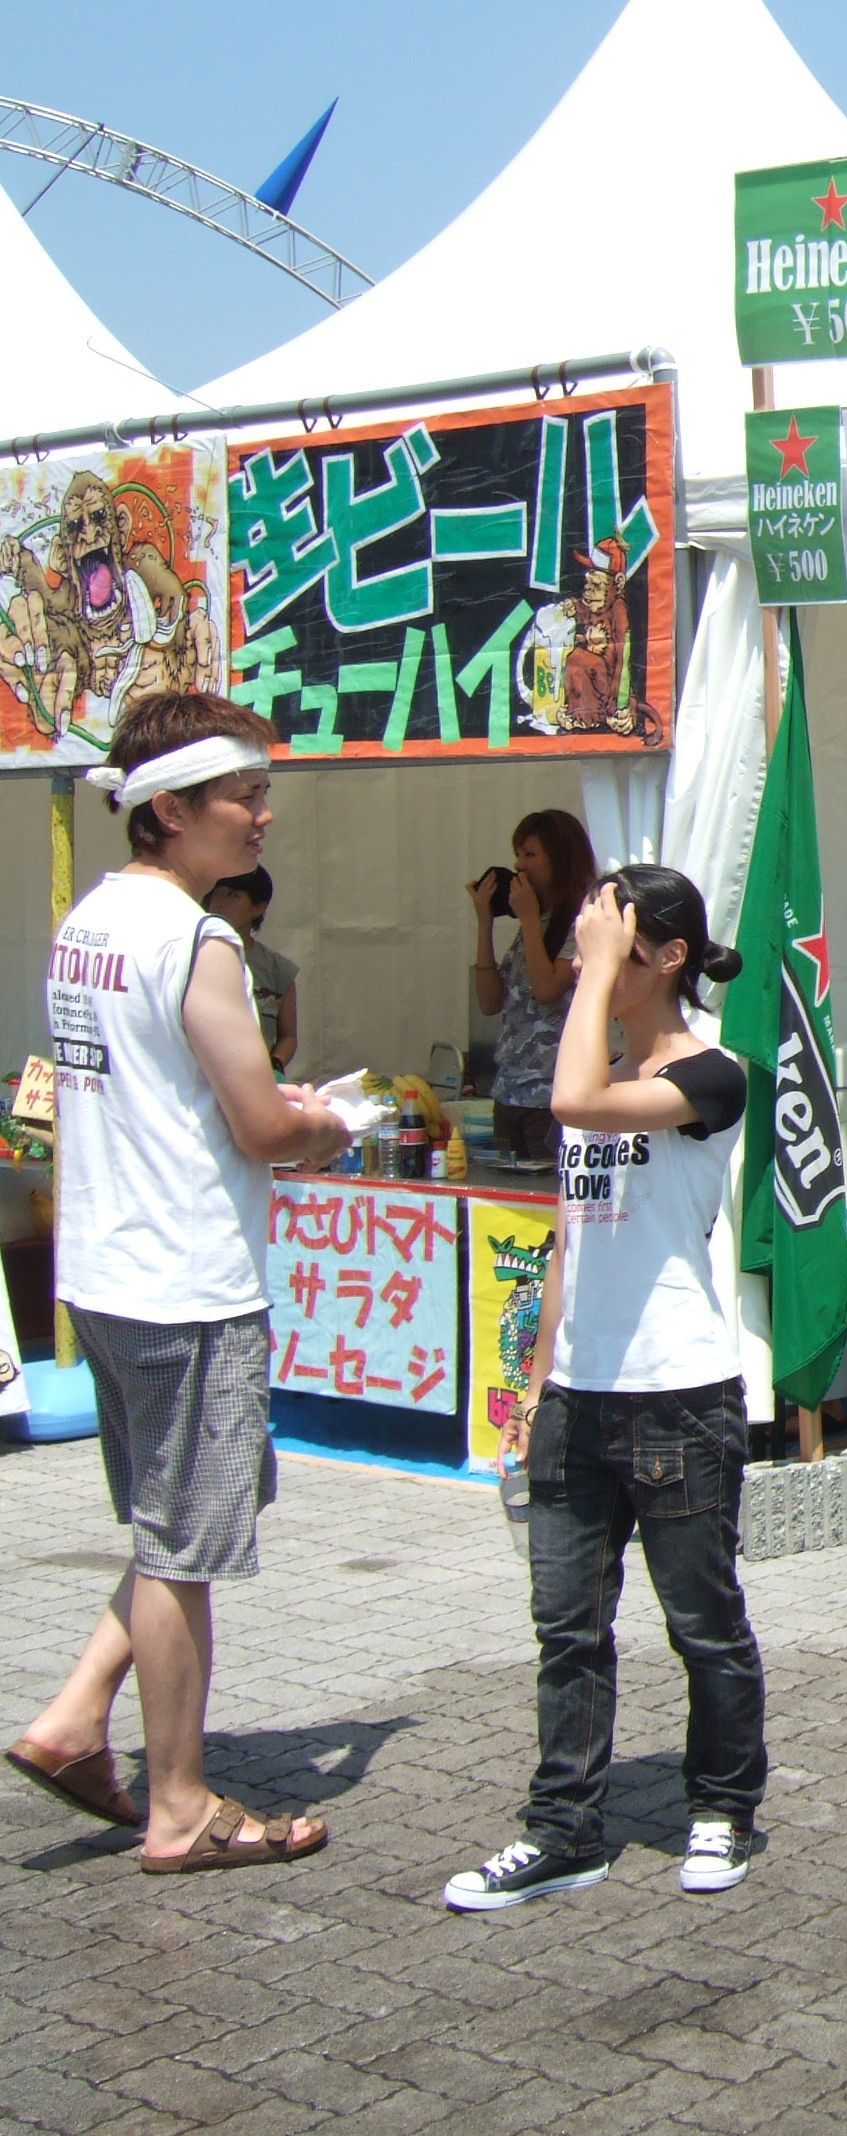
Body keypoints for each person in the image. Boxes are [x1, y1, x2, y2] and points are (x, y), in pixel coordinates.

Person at [8, 692, 349, 1872]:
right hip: (186, 1276)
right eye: (240, 797)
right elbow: (257, 1123)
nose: (261, 817)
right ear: (169, 809)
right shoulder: (197, 940)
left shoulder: (90, 920)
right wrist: (326, 1125)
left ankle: (67, 1721)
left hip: (105, 1270)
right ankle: (180, 1805)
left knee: (180, 1521)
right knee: (185, 1549)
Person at [445, 866, 761, 1912]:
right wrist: (535, 1386)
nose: (588, 962)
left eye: (609, 942)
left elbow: (575, 1095)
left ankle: (721, 1807)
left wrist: (578, 975)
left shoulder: (712, 1072)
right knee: (566, 1629)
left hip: (679, 1394)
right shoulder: (603, 1060)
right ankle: (562, 1827)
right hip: (580, 1398)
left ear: (668, 959)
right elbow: (572, 1244)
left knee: (701, 1623)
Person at [469, 808, 596, 1163]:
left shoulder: (582, 920)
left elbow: (546, 989)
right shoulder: (536, 921)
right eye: (517, 855)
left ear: (560, 859)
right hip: (509, 1091)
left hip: (552, 1097)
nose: (520, 866)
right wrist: (484, 924)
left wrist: (526, 918)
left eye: (530, 854)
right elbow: (490, 1002)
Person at [205, 866, 296, 1072]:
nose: (219, 902)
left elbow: (288, 1036)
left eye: (232, 895)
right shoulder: (191, 955)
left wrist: (275, 1064)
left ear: (259, 908)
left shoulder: (277, 969)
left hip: (256, 1075)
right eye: (216, 893)